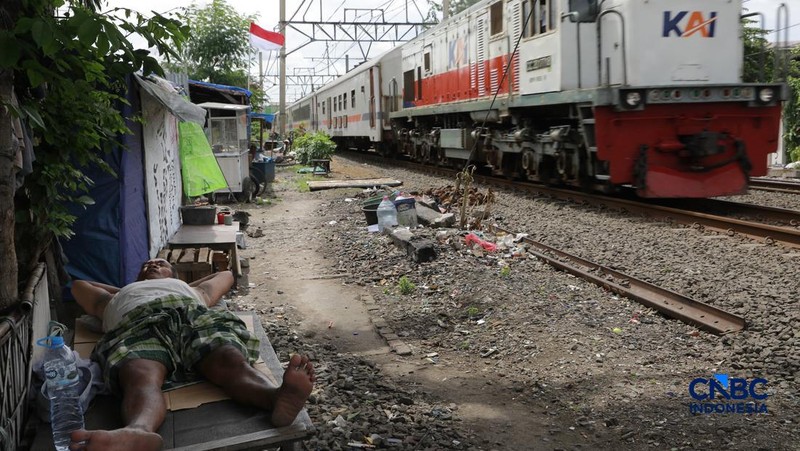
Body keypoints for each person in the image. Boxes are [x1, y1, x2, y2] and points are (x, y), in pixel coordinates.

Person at [69, 258, 315, 451]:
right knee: (139, 373)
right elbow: (79, 286)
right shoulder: (115, 298)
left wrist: (187, 287)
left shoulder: (192, 291)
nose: (152, 264)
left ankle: (275, 398)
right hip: (138, 321)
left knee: (228, 358)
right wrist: (126, 289)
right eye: (146, 266)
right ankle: (139, 430)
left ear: (174, 275)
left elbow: (226, 275)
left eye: (160, 264)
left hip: (190, 315)